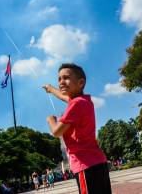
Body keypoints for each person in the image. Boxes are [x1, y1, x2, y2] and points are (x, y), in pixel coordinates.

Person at [43, 63, 112, 194]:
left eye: (66, 78)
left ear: (81, 82)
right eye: (59, 79)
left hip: (85, 165)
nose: (61, 82)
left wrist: (51, 120)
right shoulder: (84, 101)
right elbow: (64, 97)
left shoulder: (76, 104)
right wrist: (51, 89)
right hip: (97, 163)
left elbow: (57, 131)